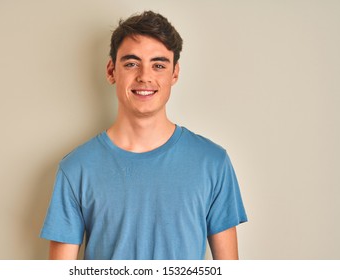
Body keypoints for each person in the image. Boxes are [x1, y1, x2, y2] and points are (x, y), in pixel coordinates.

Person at [40, 10, 247, 260]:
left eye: (158, 65)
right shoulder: (76, 169)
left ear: (175, 74)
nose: (145, 76)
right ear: (111, 71)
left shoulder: (213, 163)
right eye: (131, 63)